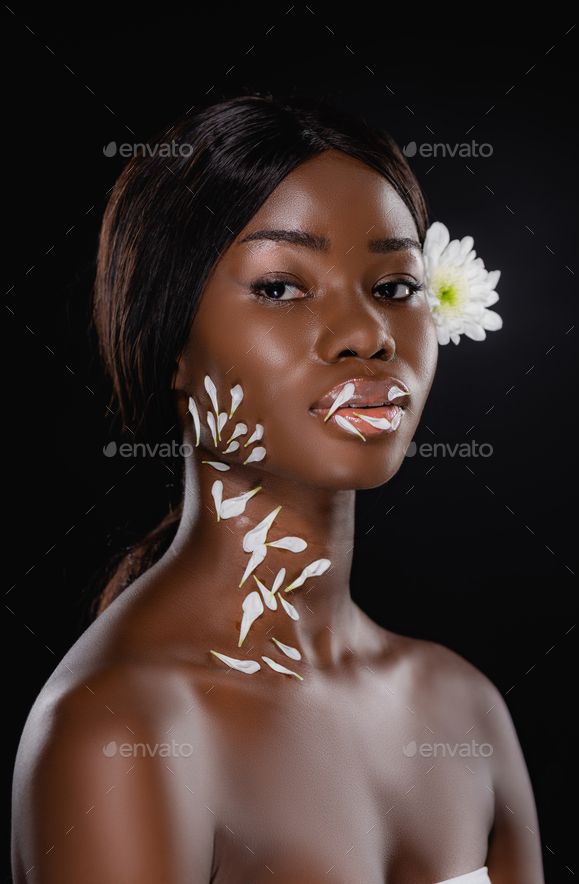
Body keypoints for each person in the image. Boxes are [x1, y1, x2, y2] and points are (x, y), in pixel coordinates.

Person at [11, 94, 544, 883]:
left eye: (395, 287)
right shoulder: (124, 731)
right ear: (172, 344)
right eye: (282, 288)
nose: (367, 334)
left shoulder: (461, 710)